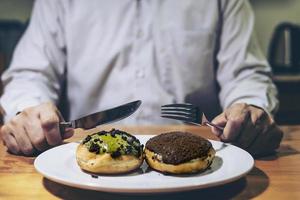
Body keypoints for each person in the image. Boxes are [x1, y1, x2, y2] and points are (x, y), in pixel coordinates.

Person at [0, 0, 282, 156]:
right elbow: (30, 73)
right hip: (83, 167)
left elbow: (245, 73)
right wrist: (30, 113)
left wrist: (250, 107)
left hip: (201, 165)